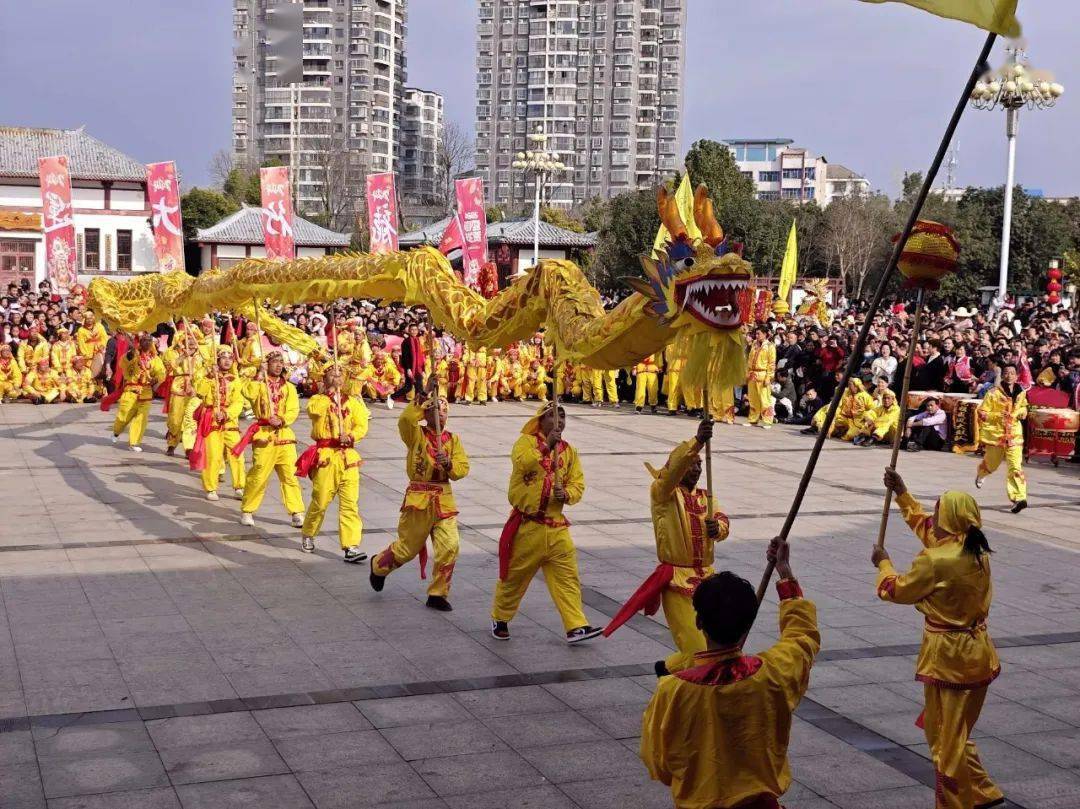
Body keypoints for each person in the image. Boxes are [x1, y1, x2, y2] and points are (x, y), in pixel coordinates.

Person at [639, 537, 819, 809]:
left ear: (698, 621)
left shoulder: (672, 691)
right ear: (748, 623)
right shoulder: (773, 673)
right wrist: (784, 571)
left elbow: (660, 764)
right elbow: (802, 637)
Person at [874, 469, 1003, 809]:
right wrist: (903, 494)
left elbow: (896, 591)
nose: (932, 518)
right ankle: (984, 790)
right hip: (978, 654)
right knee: (952, 731)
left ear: (949, 519)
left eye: (937, 512)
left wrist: (883, 564)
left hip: (950, 660)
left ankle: (956, 804)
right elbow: (928, 532)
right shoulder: (975, 548)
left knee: (944, 742)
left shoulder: (936, 560)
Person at [603, 418, 730, 674]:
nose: (696, 469)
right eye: (691, 464)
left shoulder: (707, 496)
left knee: (712, 646)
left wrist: (719, 528)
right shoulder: (663, 494)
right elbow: (672, 471)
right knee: (696, 648)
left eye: (699, 465)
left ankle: (668, 670)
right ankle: (680, 684)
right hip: (677, 579)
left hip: (707, 578)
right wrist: (697, 442)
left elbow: (722, 520)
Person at [491, 402, 603, 643]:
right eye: (553, 416)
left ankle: (576, 626)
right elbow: (524, 464)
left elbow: (578, 483)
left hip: (556, 526)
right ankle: (500, 617)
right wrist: (546, 447)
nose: (559, 421)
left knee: (568, 578)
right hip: (528, 527)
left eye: (562, 417)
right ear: (541, 420)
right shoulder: (525, 443)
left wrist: (569, 494)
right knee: (515, 578)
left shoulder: (569, 451)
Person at [370, 382, 470, 610]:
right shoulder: (416, 434)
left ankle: (438, 593)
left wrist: (450, 465)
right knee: (407, 549)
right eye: (436, 408)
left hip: (443, 499)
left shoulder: (453, 440)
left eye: (444, 410)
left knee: (450, 546)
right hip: (419, 498)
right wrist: (422, 397)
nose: (441, 413)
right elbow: (405, 420)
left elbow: (463, 468)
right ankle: (378, 566)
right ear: (426, 412)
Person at [296, 364, 369, 561]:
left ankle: (351, 545)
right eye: (332, 374)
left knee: (350, 503)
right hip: (326, 456)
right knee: (320, 501)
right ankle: (308, 533)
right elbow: (314, 412)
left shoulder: (352, 402)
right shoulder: (317, 399)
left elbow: (362, 424)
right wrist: (328, 395)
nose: (337, 377)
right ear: (325, 377)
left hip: (348, 457)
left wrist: (352, 436)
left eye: (340, 374)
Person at [238, 352, 306, 528]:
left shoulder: (289, 387)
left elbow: (293, 409)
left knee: (290, 475)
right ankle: (248, 510)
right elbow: (247, 392)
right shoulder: (259, 385)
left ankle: (297, 511)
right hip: (264, 435)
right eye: (274, 362)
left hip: (284, 435)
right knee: (259, 475)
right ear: (267, 364)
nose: (278, 365)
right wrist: (259, 375)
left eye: (280, 362)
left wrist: (282, 419)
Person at [193, 349, 247, 499]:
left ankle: (239, 486)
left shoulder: (235, 379)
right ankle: (211, 488)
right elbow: (200, 392)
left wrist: (227, 413)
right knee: (214, 456)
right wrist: (209, 376)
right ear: (217, 360)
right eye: (223, 358)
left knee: (237, 454)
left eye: (230, 358)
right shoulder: (209, 377)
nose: (227, 361)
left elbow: (238, 401)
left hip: (230, 422)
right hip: (212, 420)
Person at [975, 364, 1028, 513]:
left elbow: (1024, 406)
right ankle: (981, 474)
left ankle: (1019, 498)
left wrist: (1022, 412)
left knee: (1015, 467)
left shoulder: (1021, 392)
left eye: (1012, 373)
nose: (1009, 376)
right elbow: (982, 412)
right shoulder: (993, 393)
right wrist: (997, 416)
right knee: (992, 463)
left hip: (1014, 436)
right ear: (1003, 375)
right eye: (1006, 373)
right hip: (996, 436)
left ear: (1016, 376)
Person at [111, 334, 166, 452]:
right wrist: (132, 352)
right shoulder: (133, 355)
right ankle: (116, 432)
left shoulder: (155, 358)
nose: (147, 342)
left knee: (141, 418)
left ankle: (134, 442)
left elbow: (161, 372)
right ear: (140, 343)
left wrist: (155, 379)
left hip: (146, 392)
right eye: (144, 340)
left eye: (149, 341)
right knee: (123, 417)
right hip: (131, 390)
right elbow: (124, 362)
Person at [162, 334, 201, 456]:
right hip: (178, 389)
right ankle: (172, 443)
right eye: (188, 343)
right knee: (175, 420)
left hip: (194, 390)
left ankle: (189, 448)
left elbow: (205, 372)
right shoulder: (177, 354)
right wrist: (184, 356)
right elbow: (169, 366)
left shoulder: (201, 357)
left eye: (194, 343)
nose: (192, 345)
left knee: (190, 420)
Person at [745, 326, 776, 428]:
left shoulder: (770, 346)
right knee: (753, 398)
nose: (757, 336)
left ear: (765, 334)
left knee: (764, 398)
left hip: (763, 374)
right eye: (756, 334)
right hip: (752, 374)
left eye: (759, 334)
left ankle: (767, 420)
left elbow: (771, 363)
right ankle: (753, 419)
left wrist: (769, 377)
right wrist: (747, 372)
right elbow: (749, 359)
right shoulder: (754, 344)